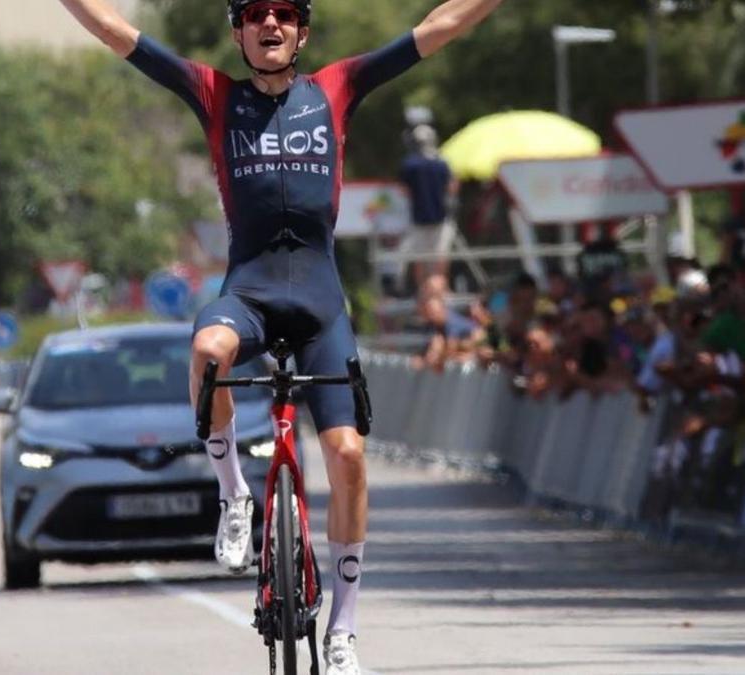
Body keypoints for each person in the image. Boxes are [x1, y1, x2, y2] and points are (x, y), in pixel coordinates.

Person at [59, 1, 507, 671]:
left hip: (322, 305)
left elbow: (439, 27)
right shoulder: (212, 93)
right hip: (250, 294)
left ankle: (343, 630)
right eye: (257, 15)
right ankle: (234, 494)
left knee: (349, 458)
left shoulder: (335, 87)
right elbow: (116, 32)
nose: (272, 25)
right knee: (209, 350)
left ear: (303, 31)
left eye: (286, 14)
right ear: (237, 31)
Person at [396, 122, 458, 287]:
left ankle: (424, 292)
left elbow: (403, 190)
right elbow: (452, 187)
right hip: (441, 217)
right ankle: (439, 292)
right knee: (440, 259)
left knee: (421, 259)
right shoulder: (442, 164)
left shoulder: (409, 165)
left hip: (418, 219)